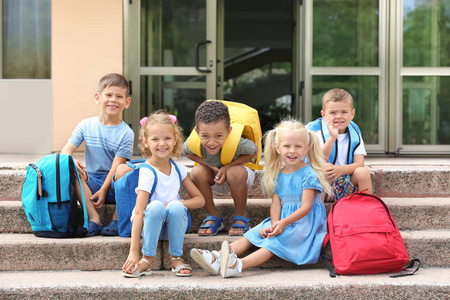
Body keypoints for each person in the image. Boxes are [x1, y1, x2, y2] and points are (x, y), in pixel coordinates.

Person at [190, 119, 331, 278]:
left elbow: (306, 208)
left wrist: (282, 224)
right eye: (287, 146)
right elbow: (276, 204)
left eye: (298, 146)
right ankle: (216, 257)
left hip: (305, 224)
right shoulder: (278, 173)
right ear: (277, 147)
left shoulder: (308, 174)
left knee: (273, 242)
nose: (292, 151)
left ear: (306, 148)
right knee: (253, 234)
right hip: (283, 219)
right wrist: (275, 222)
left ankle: (237, 265)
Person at [122, 111, 204, 278]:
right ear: (145, 142)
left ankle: (176, 257)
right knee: (156, 206)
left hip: (173, 226)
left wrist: (176, 204)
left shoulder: (178, 169)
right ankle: (147, 258)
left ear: (175, 140)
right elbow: (139, 212)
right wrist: (133, 251)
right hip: (150, 226)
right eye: (155, 139)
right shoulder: (147, 172)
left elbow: (200, 200)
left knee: (175, 205)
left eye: (167, 138)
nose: (162, 144)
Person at [61, 73, 134, 236]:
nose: (113, 99)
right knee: (70, 167)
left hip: (114, 184)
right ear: (98, 97)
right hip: (91, 182)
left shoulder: (126, 133)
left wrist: (104, 190)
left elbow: (116, 166)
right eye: (108, 95)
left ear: (127, 102)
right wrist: (72, 160)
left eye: (119, 96)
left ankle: (117, 218)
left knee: (125, 171)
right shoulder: (85, 125)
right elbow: (66, 150)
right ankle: (94, 218)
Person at [183, 100, 258, 236]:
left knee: (233, 172)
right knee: (196, 172)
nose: (212, 142)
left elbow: (254, 151)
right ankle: (214, 216)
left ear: (229, 131)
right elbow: (187, 152)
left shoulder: (238, 142)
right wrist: (209, 166)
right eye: (205, 136)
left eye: (218, 136)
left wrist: (228, 166)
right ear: (197, 131)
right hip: (214, 177)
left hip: (239, 178)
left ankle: (241, 215)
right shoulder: (193, 142)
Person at [307, 88, 372, 201]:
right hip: (322, 186)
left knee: (363, 172)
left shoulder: (355, 134)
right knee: (324, 170)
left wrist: (340, 170)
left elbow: (359, 163)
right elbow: (317, 161)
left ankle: (366, 210)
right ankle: (317, 215)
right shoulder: (317, 133)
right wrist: (332, 137)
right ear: (324, 115)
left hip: (346, 184)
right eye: (333, 112)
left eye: (344, 112)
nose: (339, 116)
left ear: (352, 114)